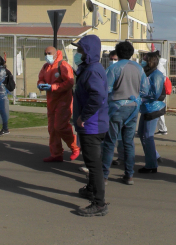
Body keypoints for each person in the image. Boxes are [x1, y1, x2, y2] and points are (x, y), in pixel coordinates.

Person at [101, 41, 149, 185]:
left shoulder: (114, 68)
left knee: (110, 142)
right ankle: (129, 175)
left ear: (117, 52)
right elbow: (145, 90)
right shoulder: (139, 68)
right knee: (128, 143)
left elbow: (106, 89)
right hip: (133, 108)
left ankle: (104, 176)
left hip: (116, 108)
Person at [73, 35, 109, 217]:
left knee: (94, 165)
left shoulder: (93, 70)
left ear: (88, 52)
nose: (77, 54)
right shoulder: (90, 68)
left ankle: (99, 203)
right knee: (92, 161)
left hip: (91, 125)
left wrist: (83, 117)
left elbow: (98, 96)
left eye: (80, 50)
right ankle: (91, 189)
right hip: (94, 124)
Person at [37, 46, 79, 162]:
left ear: (56, 53)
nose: (47, 55)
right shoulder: (46, 67)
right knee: (52, 129)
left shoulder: (63, 65)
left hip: (63, 101)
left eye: (49, 53)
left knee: (60, 127)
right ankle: (56, 154)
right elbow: (41, 78)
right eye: (45, 53)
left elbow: (69, 82)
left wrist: (53, 87)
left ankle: (75, 147)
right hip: (51, 101)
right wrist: (40, 84)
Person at [137, 52, 166, 173]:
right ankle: (153, 158)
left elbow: (155, 94)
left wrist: (140, 94)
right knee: (142, 134)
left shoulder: (156, 75)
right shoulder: (146, 73)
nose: (142, 61)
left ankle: (151, 164)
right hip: (147, 107)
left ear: (150, 61)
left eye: (144, 59)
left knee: (147, 136)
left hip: (153, 108)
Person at [155, 51, 168, 135]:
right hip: (160, 91)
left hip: (159, 91)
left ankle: (163, 129)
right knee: (158, 111)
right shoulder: (159, 66)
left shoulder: (159, 67)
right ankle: (162, 129)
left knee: (158, 111)